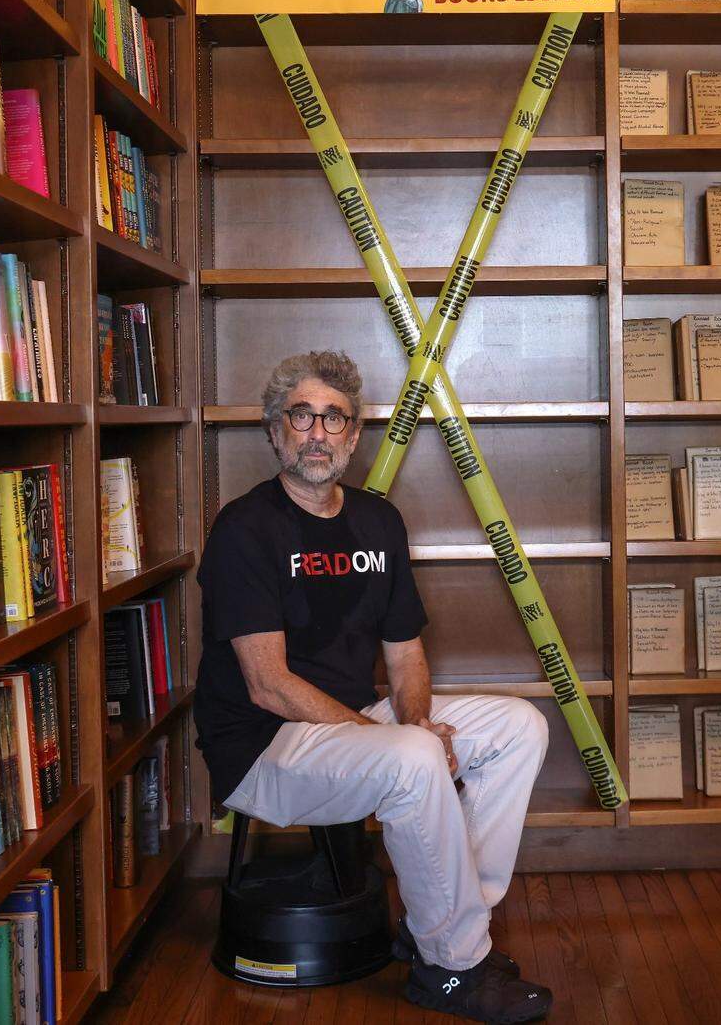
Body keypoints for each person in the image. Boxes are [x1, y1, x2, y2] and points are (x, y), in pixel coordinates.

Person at [193, 350, 553, 1023]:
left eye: (335, 418)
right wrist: (394, 739)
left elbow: (407, 652)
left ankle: (437, 923)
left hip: (354, 722)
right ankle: (453, 968)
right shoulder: (244, 530)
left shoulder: (378, 521)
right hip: (263, 749)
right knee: (413, 759)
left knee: (519, 728)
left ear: (355, 436)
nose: (319, 432)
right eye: (303, 415)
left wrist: (413, 721)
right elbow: (269, 686)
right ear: (276, 430)